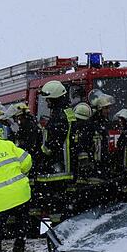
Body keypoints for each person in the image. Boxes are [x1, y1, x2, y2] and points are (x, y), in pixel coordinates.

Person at [35, 80, 76, 222]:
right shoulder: (69, 113)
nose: (47, 103)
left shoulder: (58, 117)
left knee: (55, 202)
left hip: (58, 168)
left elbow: (52, 144)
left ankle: (57, 229)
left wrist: (41, 154)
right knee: (65, 203)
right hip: (68, 165)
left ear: (55, 98)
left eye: (49, 100)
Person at [72, 95, 113, 213]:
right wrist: (86, 164)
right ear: (99, 109)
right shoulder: (90, 125)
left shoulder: (102, 125)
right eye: (105, 108)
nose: (108, 111)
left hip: (101, 170)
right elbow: (82, 146)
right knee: (91, 205)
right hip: (92, 172)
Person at [10, 102, 44, 237]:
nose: (18, 121)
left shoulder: (27, 128)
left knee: (30, 202)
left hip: (30, 168)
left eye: (18, 118)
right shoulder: (34, 125)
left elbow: (26, 149)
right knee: (33, 202)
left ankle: (30, 231)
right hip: (34, 167)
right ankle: (32, 230)